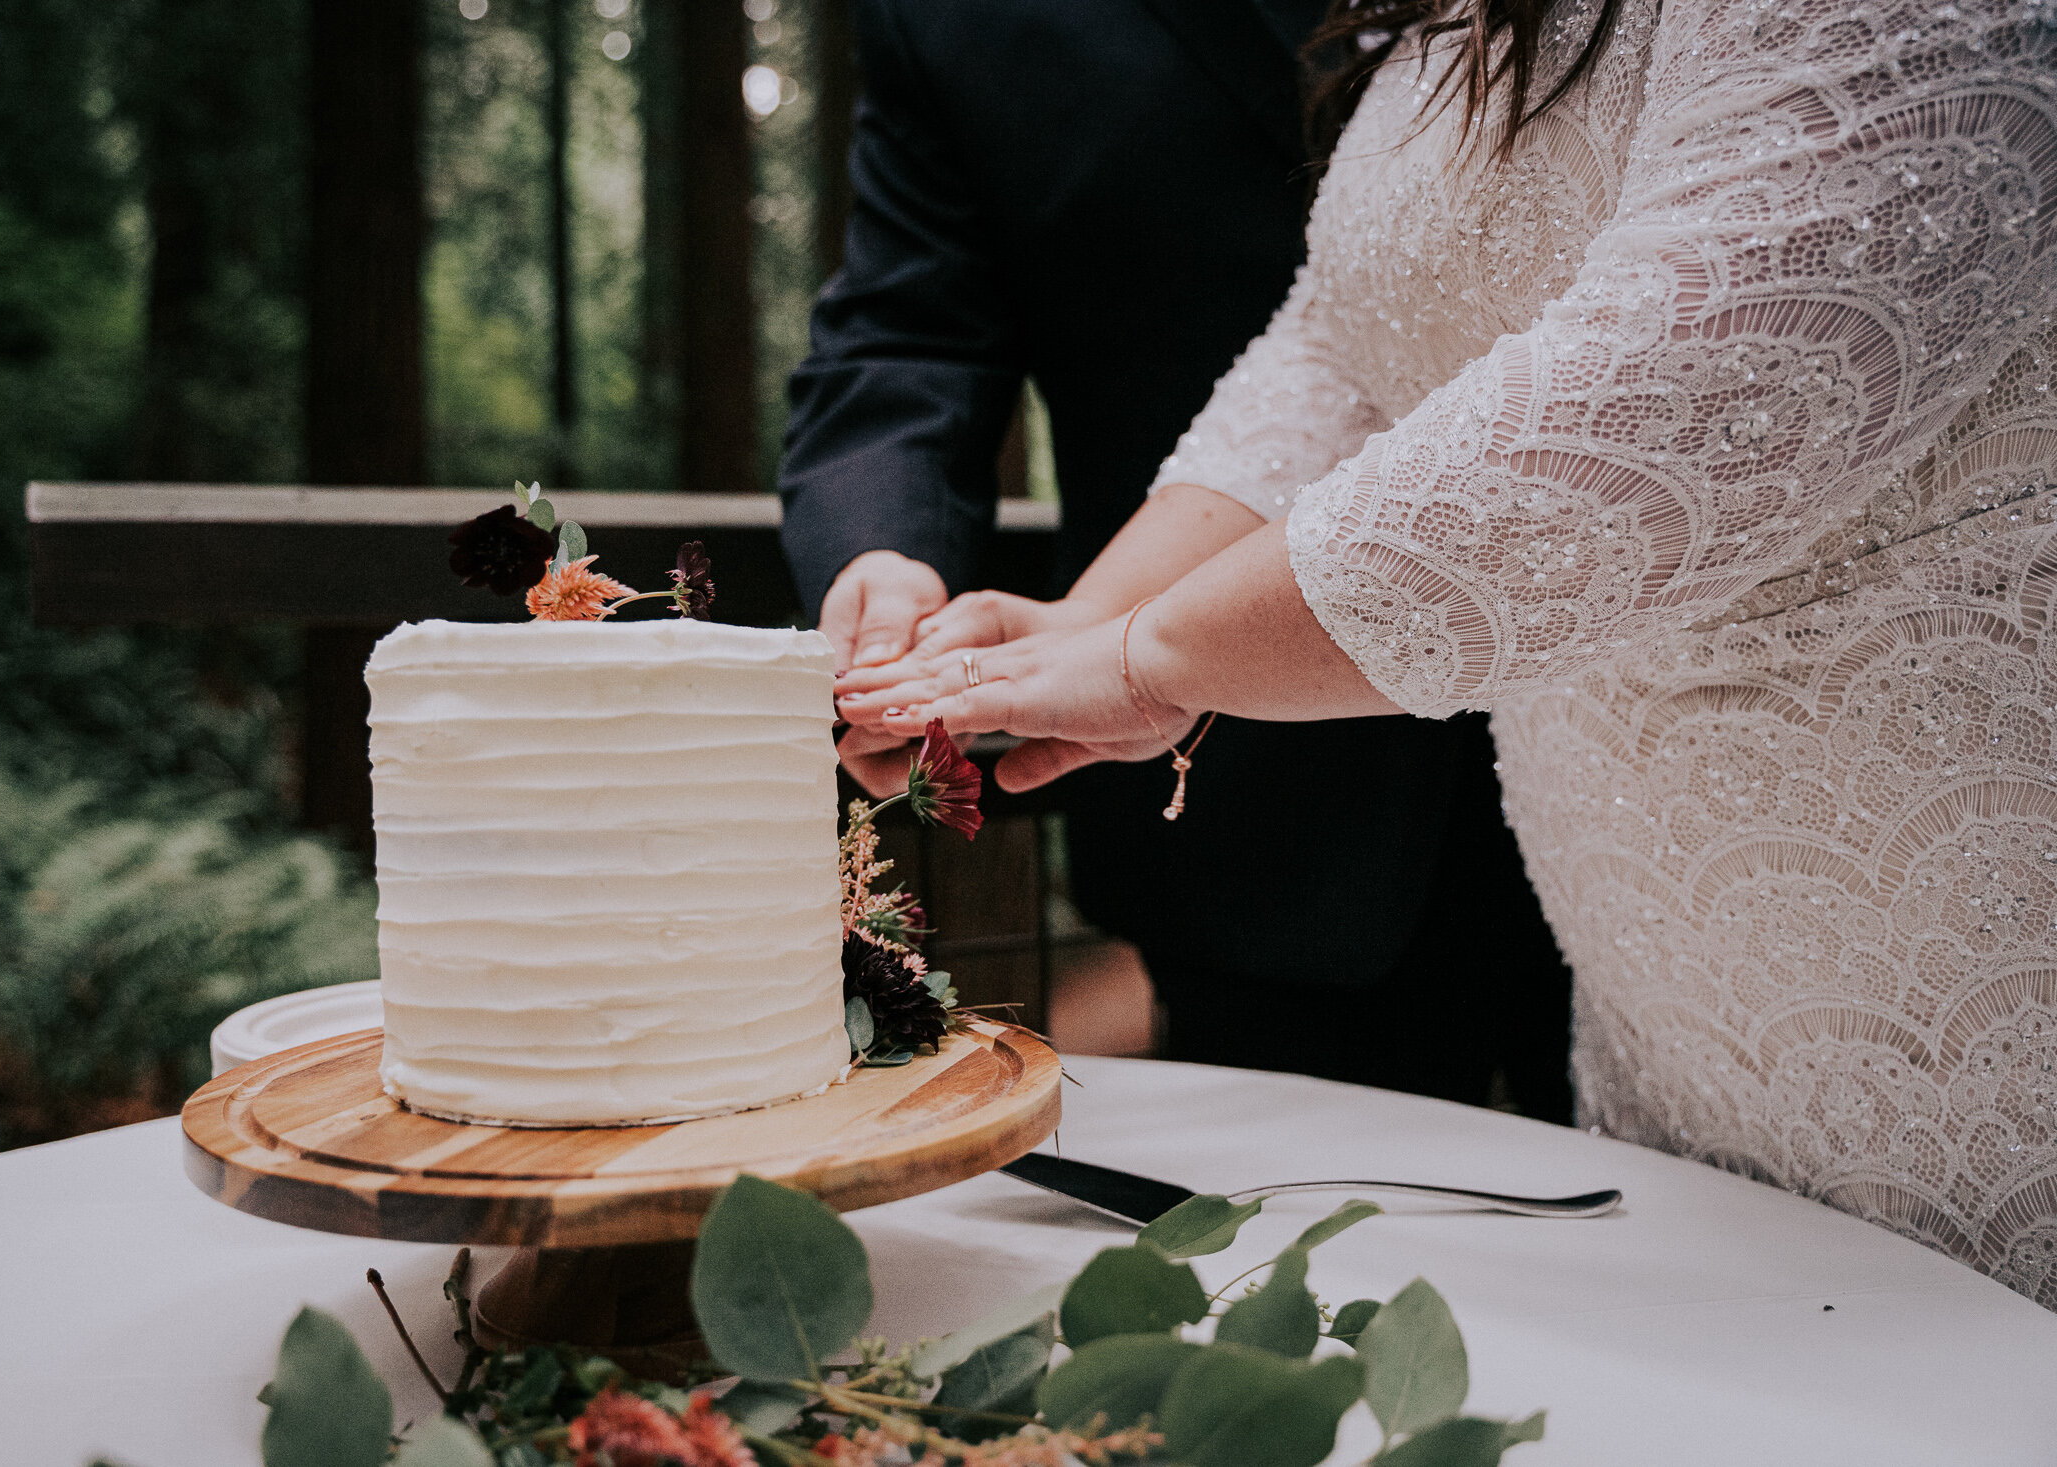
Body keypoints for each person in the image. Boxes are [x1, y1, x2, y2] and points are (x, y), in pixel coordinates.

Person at [839, 0, 2057, 1308]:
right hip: (1665, 1001)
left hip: (1960, 922)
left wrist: (1157, 657)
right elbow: (1348, 346)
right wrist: (1093, 620)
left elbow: (1729, 353)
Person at [780, 0, 1573, 1119]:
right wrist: (892, 554)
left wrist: (1139, 651)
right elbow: (909, 337)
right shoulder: (947, 24)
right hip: (1247, 807)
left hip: (1670, 738)